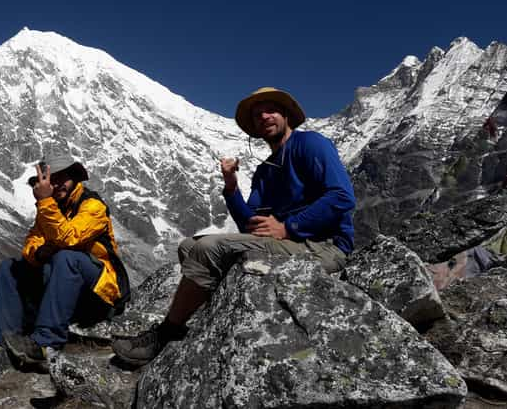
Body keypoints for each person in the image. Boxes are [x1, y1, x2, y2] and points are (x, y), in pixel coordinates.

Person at [112, 87, 356, 365]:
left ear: (286, 114)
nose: (264, 116)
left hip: (324, 247)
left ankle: (164, 334)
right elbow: (249, 225)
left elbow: (342, 196)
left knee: (206, 248)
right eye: (257, 114)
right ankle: (214, 319)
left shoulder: (310, 144)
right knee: (189, 246)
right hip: (291, 244)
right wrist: (231, 187)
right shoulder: (266, 170)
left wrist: (288, 227)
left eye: (271, 109)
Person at [0, 153, 130, 369]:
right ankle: (4, 342)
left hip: (100, 295)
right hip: (61, 291)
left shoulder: (93, 206)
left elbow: (70, 238)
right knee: (8, 268)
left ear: (74, 177)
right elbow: (31, 243)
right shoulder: (50, 211)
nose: (56, 185)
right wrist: (39, 254)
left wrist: (46, 201)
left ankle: (45, 344)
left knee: (68, 258)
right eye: (50, 180)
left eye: (61, 178)